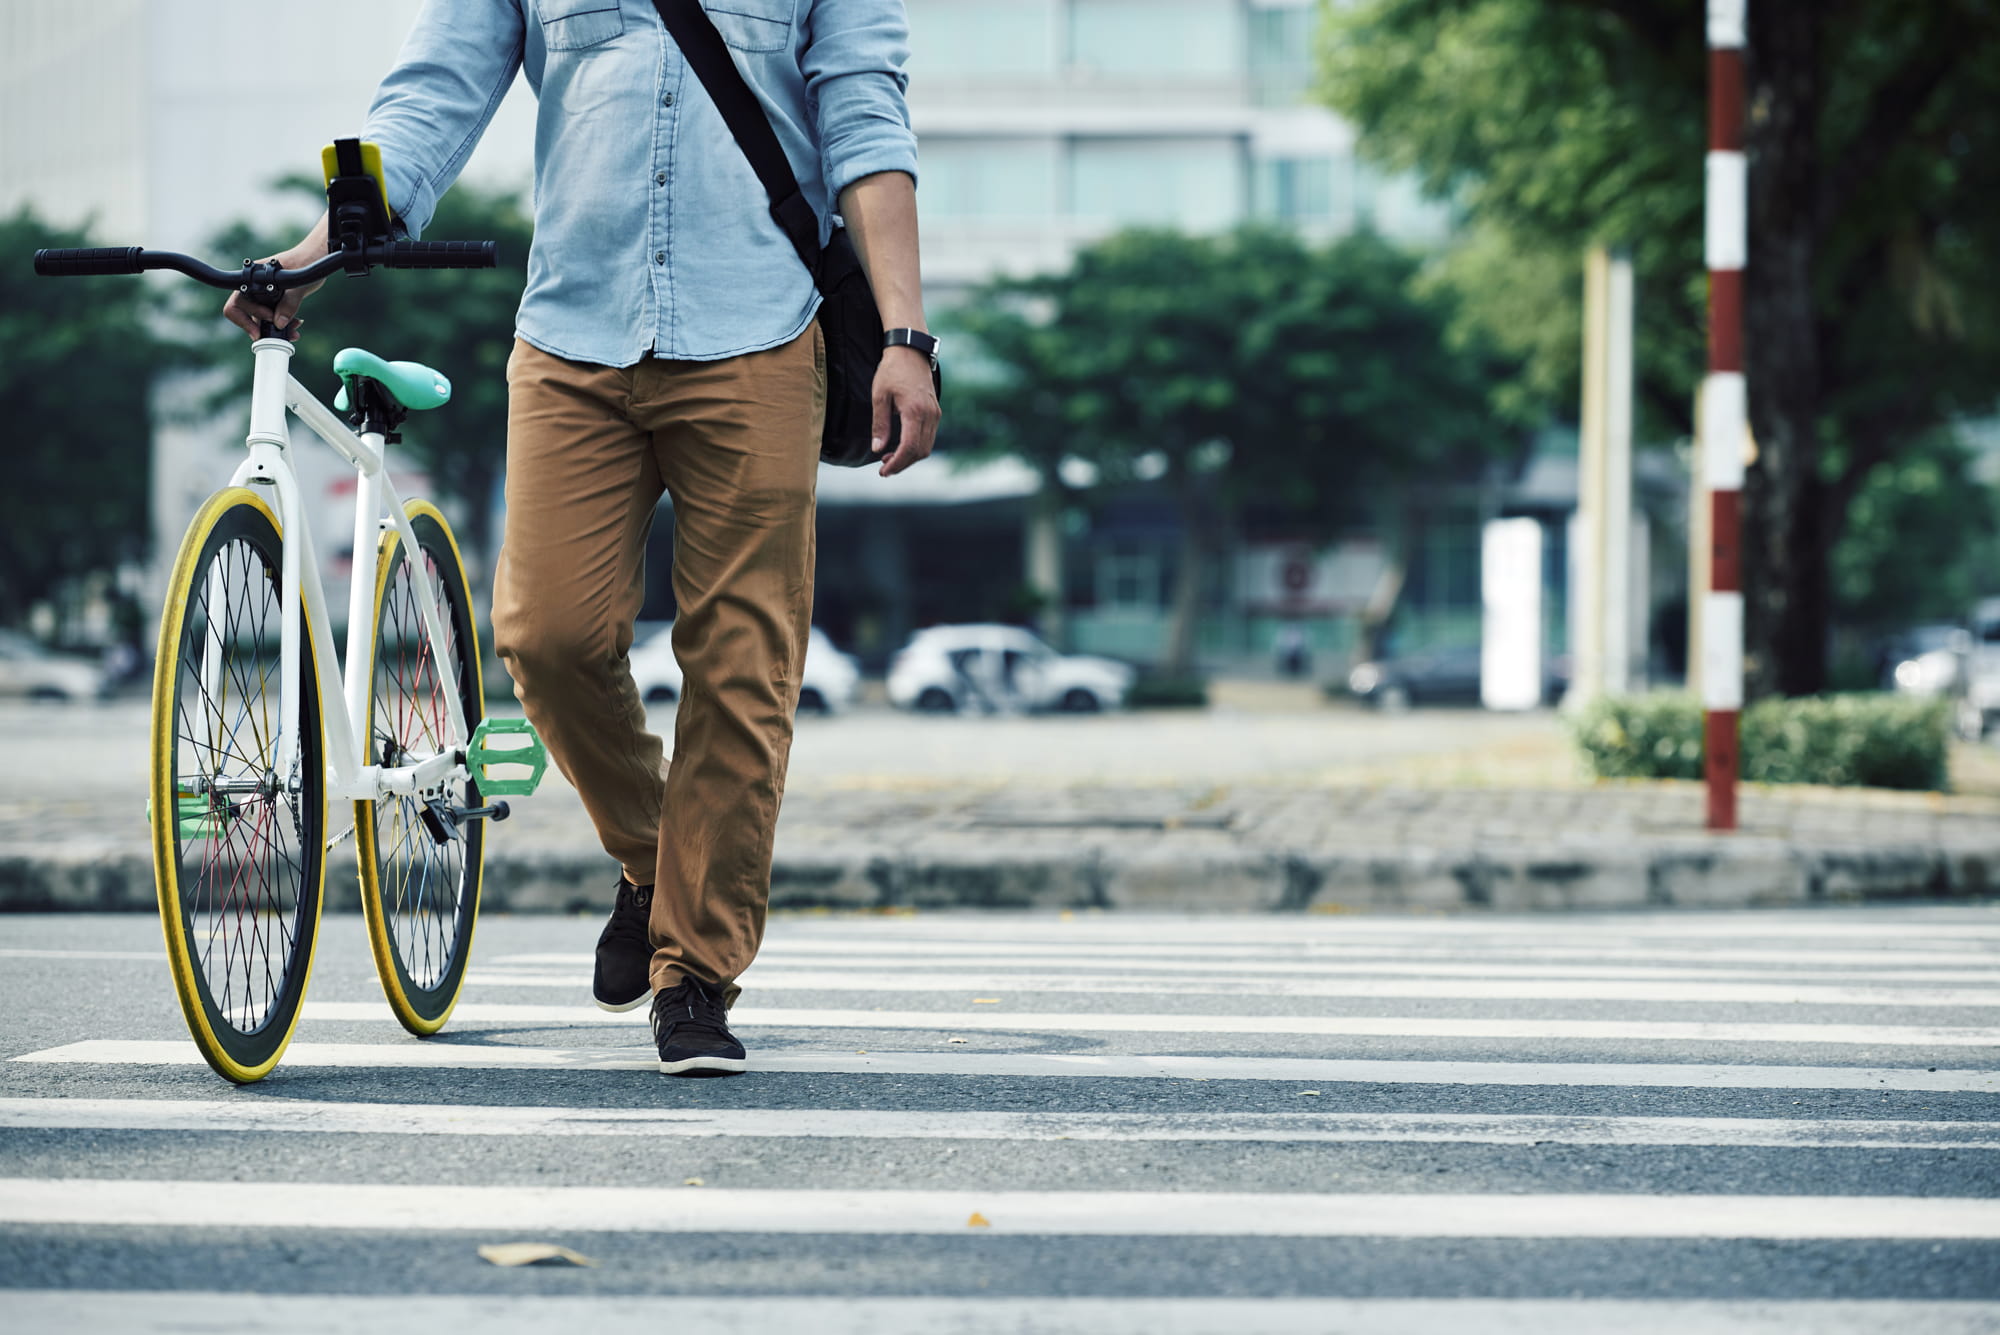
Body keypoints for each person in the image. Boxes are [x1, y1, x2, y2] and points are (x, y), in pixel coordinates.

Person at [223, 0, 939, 1077]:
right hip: (571, 333)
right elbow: (433, 95)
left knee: (741, 660)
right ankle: (659, 862)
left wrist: (903, 335)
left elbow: (865, 123)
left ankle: (694, 972)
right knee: (545, 636)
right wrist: (316, 252)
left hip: (759, 333)